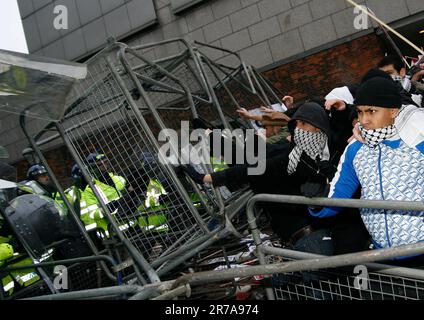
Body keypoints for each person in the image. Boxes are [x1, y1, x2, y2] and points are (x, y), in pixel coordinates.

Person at [186, 102, 367, 255]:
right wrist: (211, 170)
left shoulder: (335, 148)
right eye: (296, 125)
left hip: (325, 237)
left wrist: (343, 110)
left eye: (304, 124)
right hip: (312, 237)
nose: (298, 129)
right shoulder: (290, 151)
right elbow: (251, 162)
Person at [310, 76, 424, 259]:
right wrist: (315, 200)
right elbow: (339, 195)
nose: (364, 120)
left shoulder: (417, 138)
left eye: (372, 111)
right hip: (383, 257)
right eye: (360, 112)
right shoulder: (355, 148)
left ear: (393, 110)